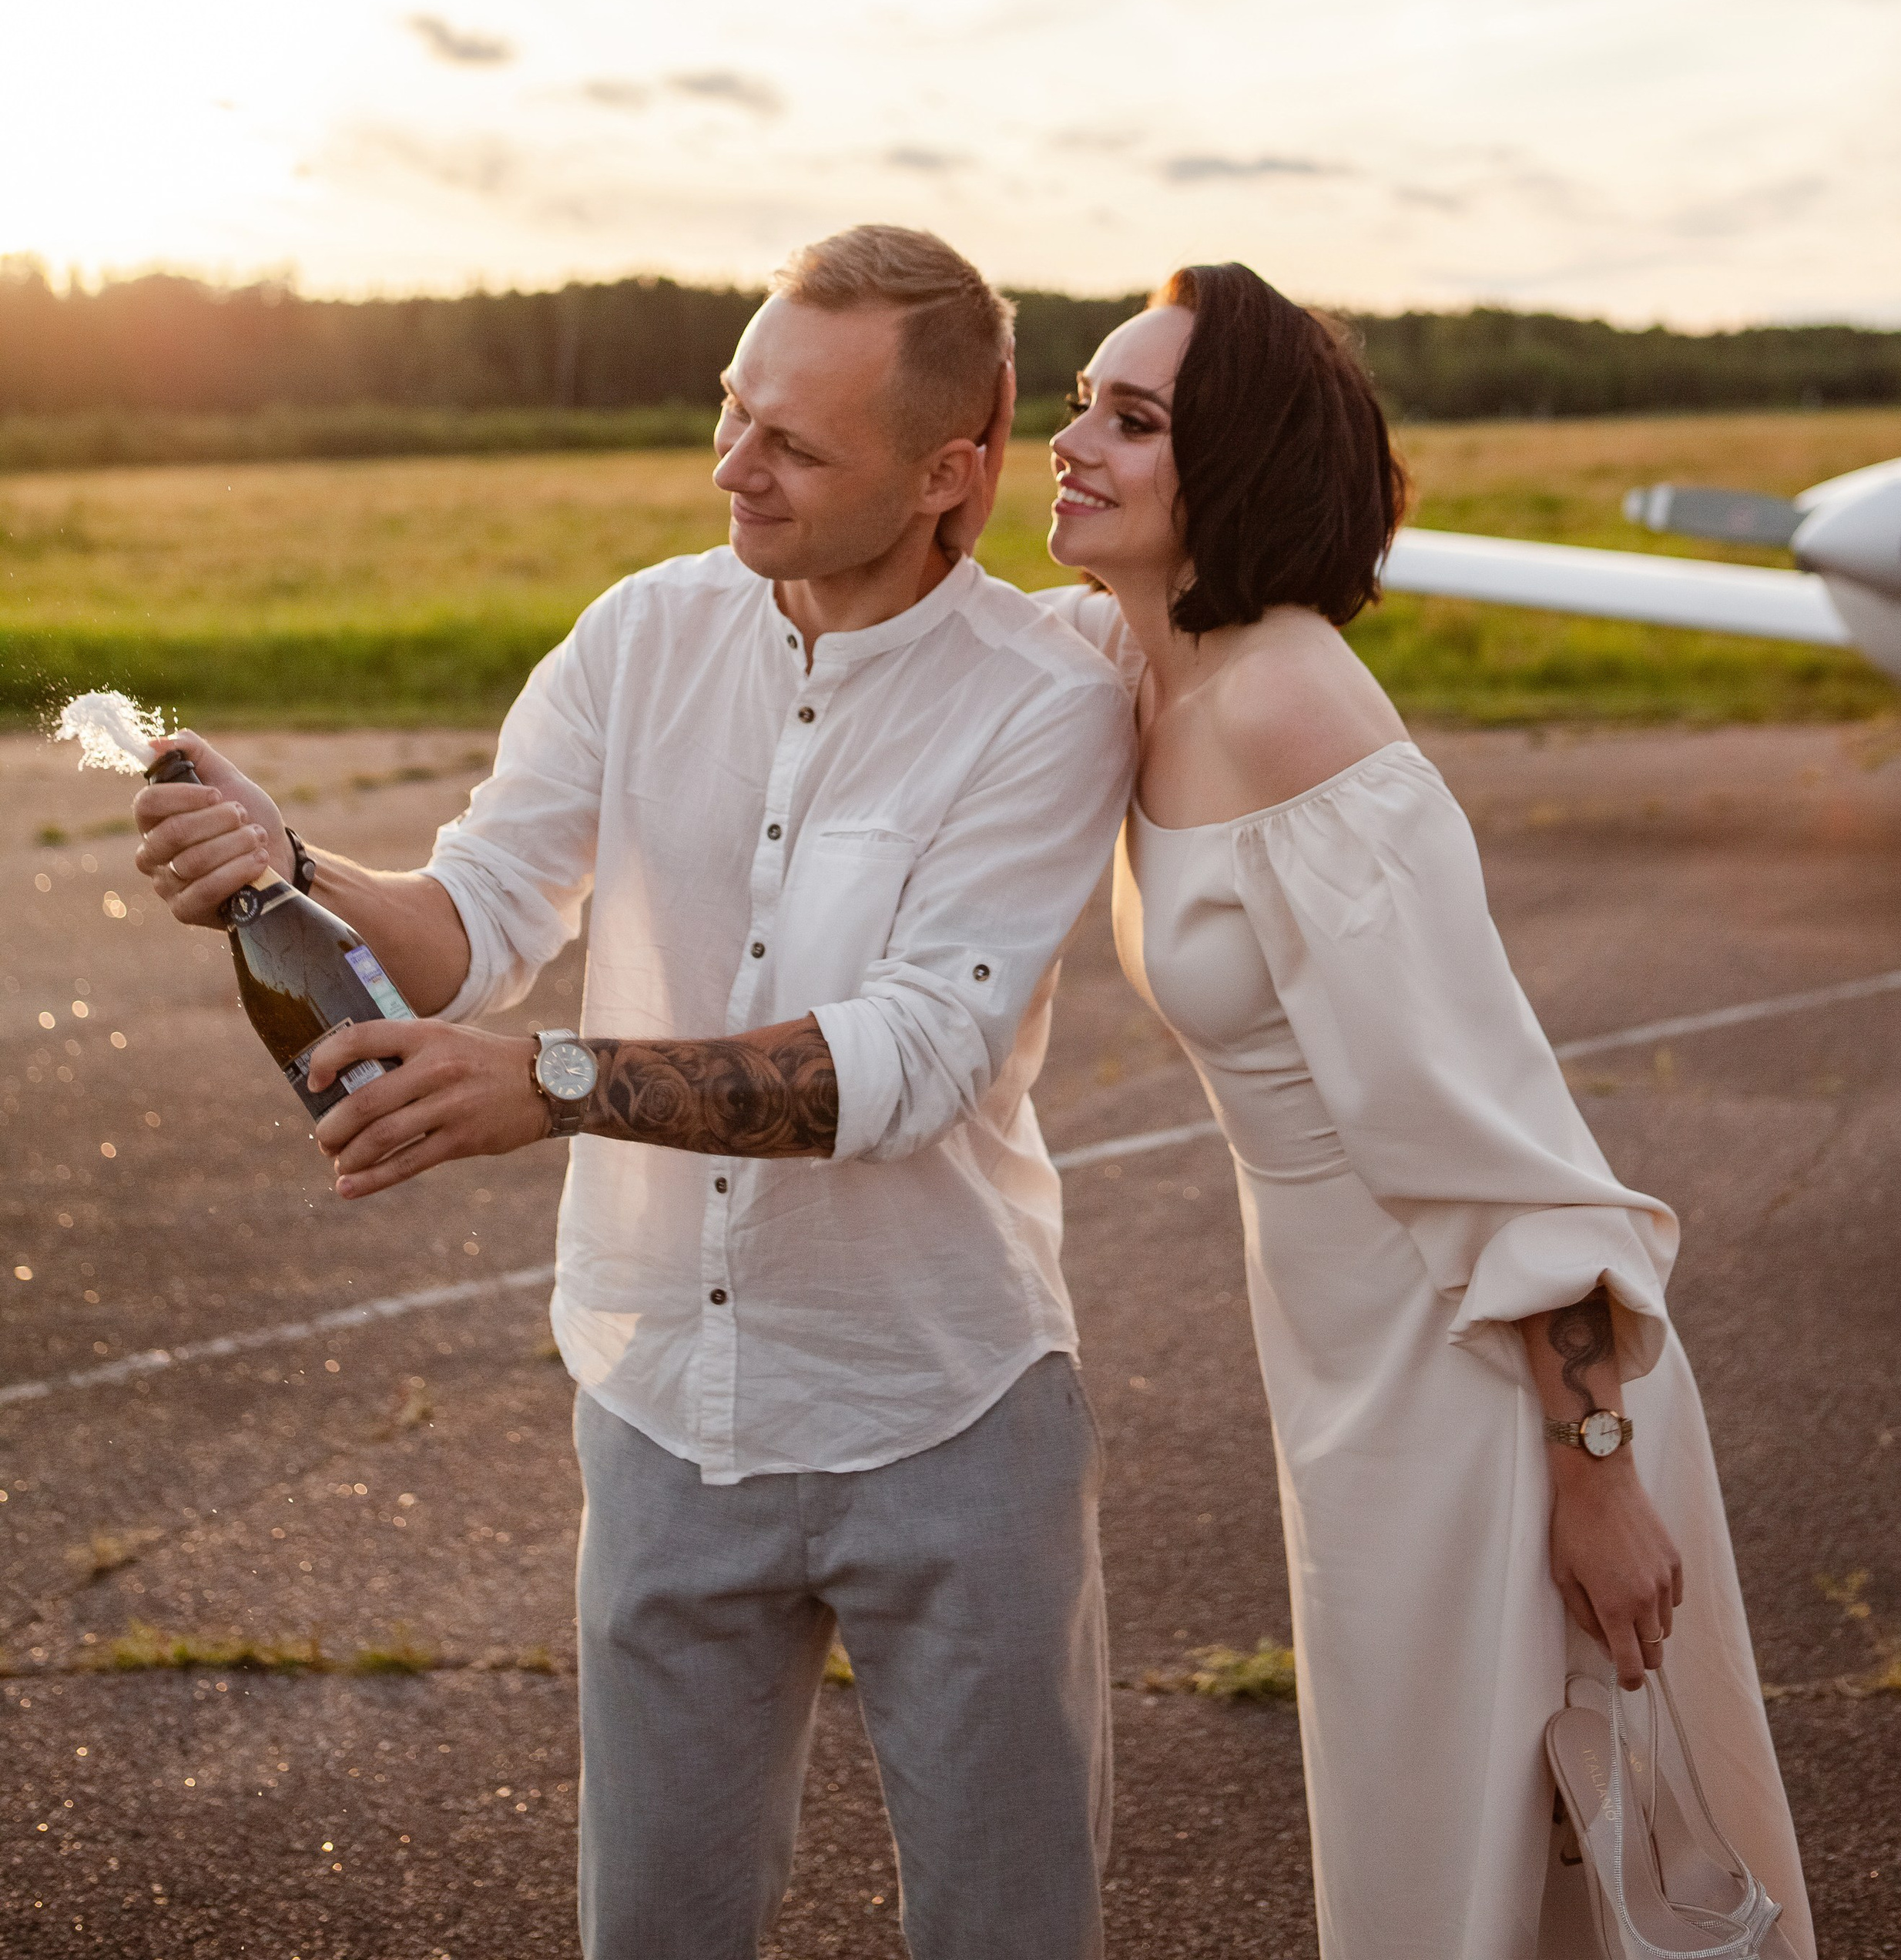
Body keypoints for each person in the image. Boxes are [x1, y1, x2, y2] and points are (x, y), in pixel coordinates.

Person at [134, 225, 1135, 1960]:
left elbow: (908, 1059)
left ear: (946, 474)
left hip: (949, 1410)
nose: (733, 465)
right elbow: (471, 923)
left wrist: (559, 1087)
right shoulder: (638, 634)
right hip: (663, 1400)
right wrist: (286, 861)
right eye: (731, 409)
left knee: (1010, 1934)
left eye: (794, 444)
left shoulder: (1045, 702)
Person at [1032, 261, 1813, 1960]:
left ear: (1231, 471)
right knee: (1430, 1848)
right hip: (1348, 1365)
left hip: (1483, 1381)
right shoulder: (1133, 656)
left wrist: (1591, 1470)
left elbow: (1495, 1137)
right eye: (1080, 399)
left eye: (1130, 418)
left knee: (1508, 1864)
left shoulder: (1287, 711)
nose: (1067, 441)